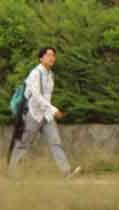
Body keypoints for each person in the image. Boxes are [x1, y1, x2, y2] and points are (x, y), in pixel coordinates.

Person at [9, 46, 79, 177]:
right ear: (41, 58)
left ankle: (66, 172)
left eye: (53, 55)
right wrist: (53, 109)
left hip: (46, 115)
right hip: (33, 114)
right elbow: (36, 96)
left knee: (56, 142)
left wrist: (50, 111)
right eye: (48, 55)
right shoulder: (35, 73)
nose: (52, 58)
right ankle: (12, 172)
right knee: (24, 144)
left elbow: (46, 97)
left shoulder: (51, 75)